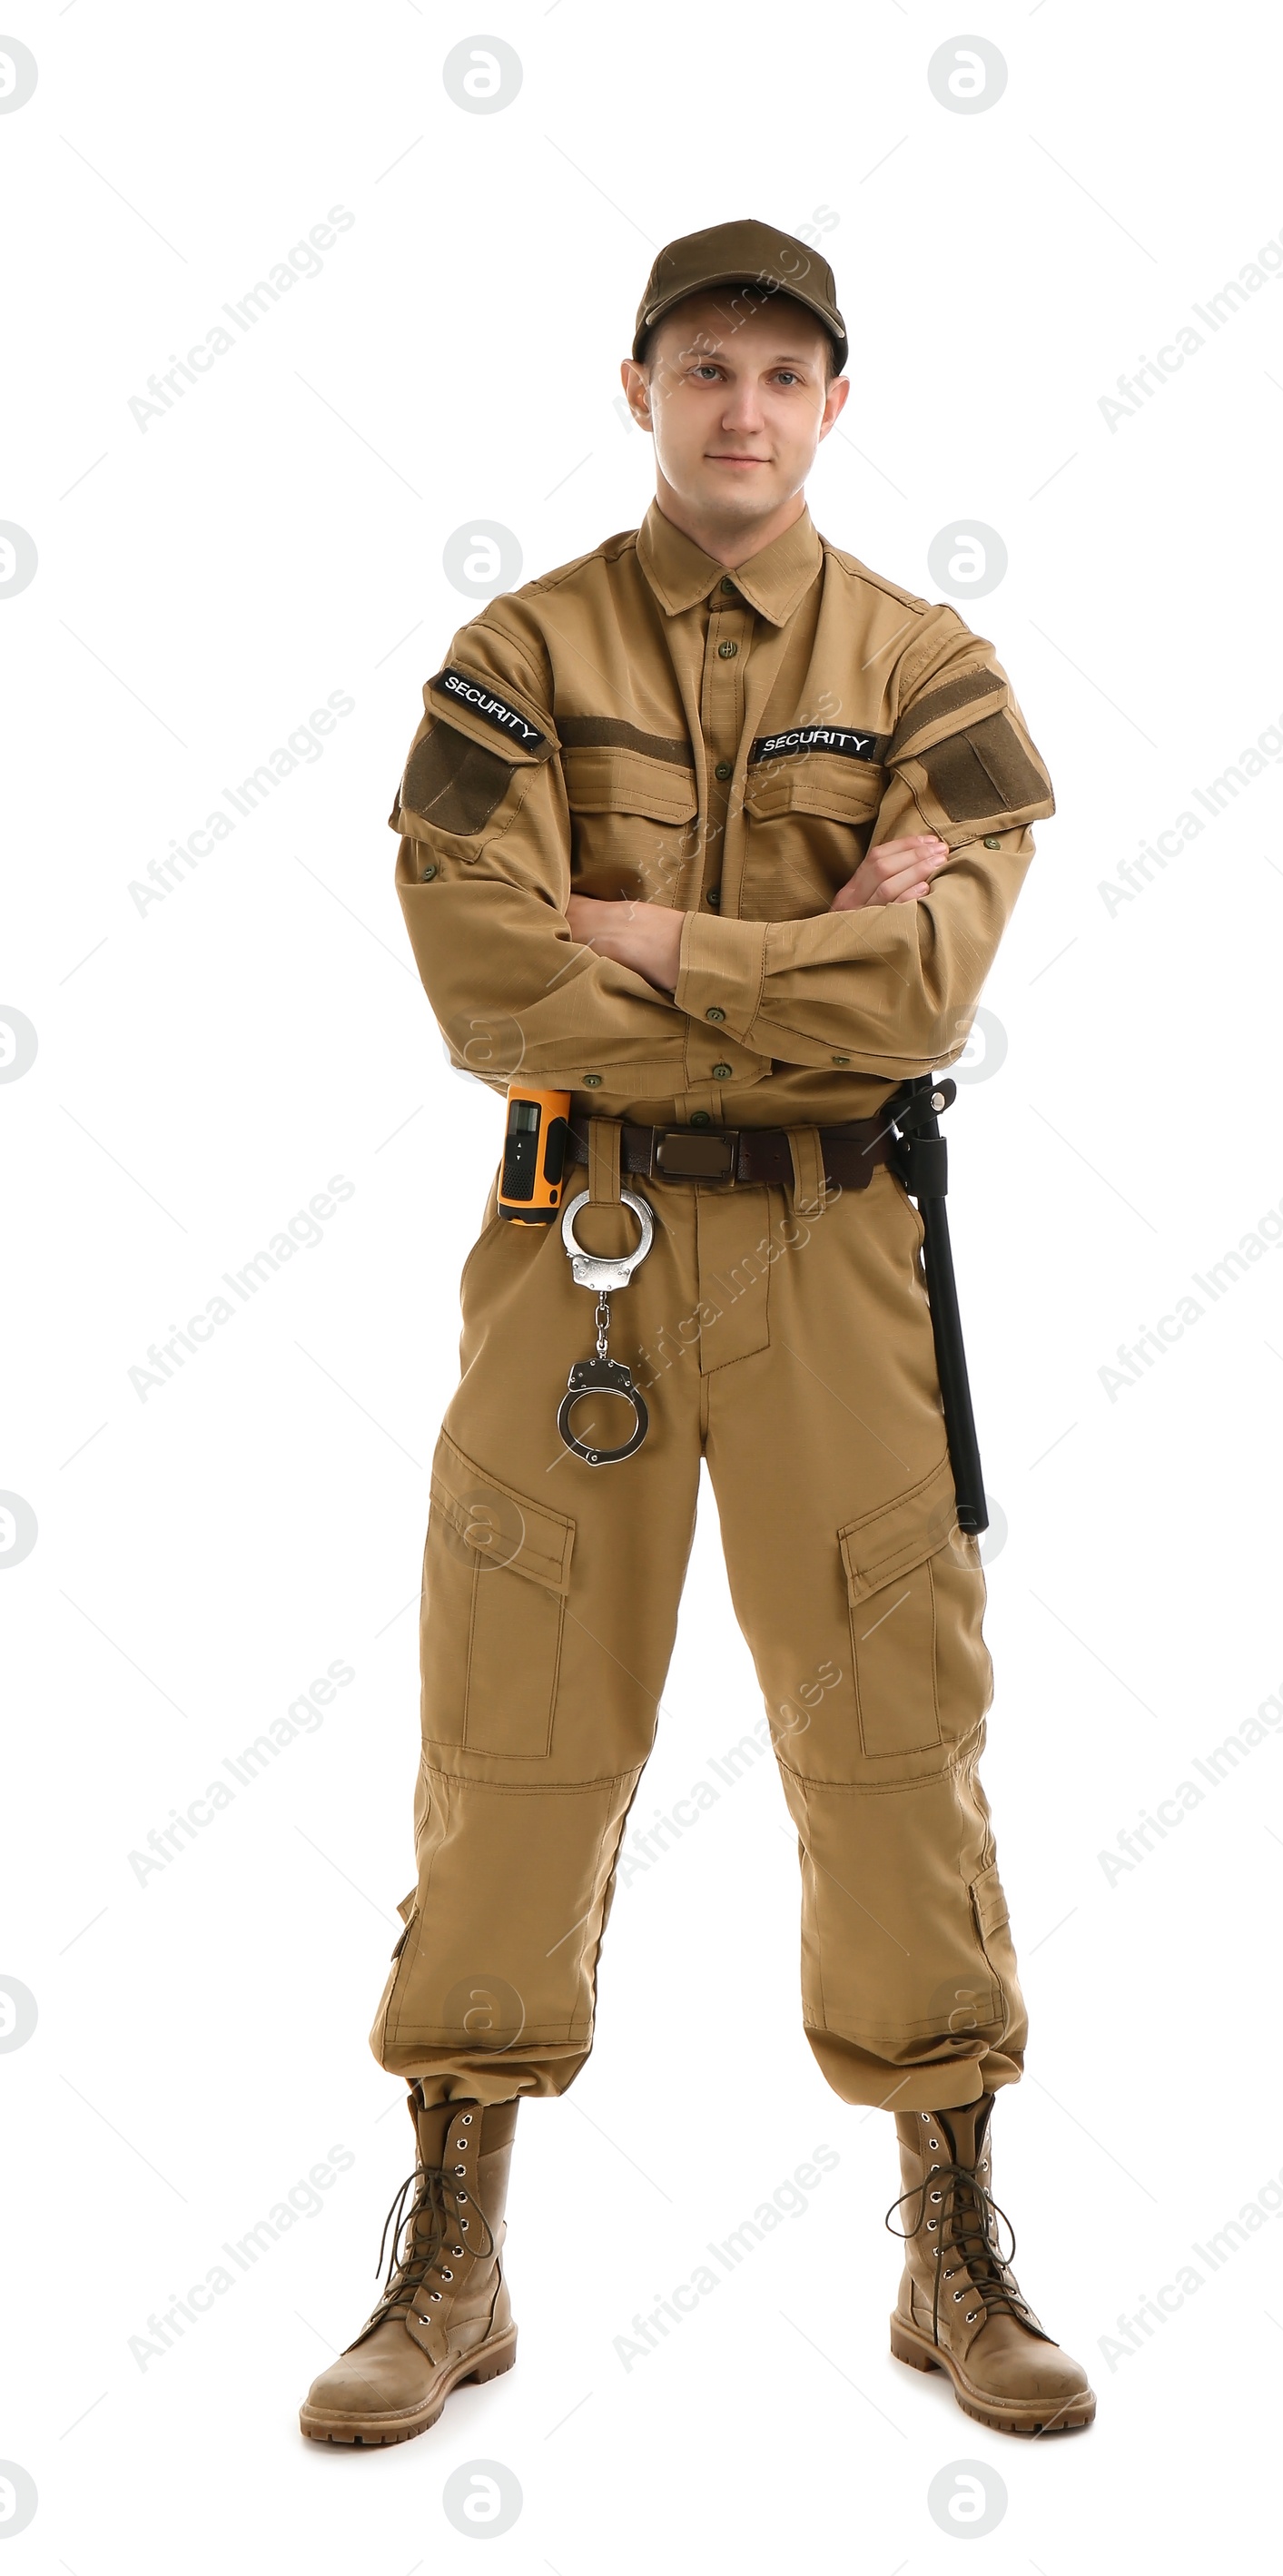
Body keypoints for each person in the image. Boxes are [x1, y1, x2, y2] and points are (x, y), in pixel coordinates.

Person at [299, 216, 1094, 2448]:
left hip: (844, 1264)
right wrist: (784, 970)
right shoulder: (512, 656)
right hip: (583, 1243)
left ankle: (949, 2238)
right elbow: (484, 985)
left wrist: (647, 936)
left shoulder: (930, 664)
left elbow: (929, 995)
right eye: (700, 370)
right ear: (635, 389)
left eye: (780, 373)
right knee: (517, 1719)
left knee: (888, 1732)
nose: (739, 409)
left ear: (836, 404)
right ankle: (452, 2248)